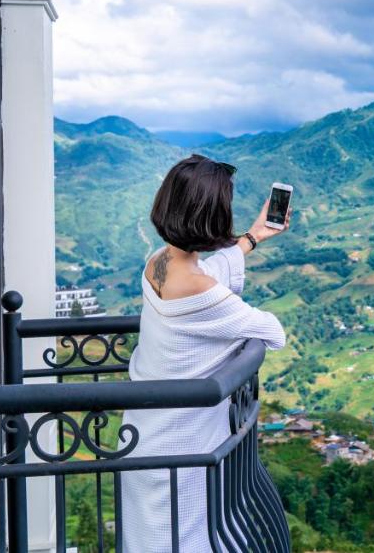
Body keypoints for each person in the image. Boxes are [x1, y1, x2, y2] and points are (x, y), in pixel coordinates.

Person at [119, 154, 288, 552]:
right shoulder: (201, 292)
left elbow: (202, 273)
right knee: (188, 539)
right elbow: (271, 331)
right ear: (213, 217)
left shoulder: (158, 263)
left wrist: (252, 237)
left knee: (150, 538)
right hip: (182, 447)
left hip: (145, 436)